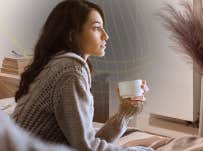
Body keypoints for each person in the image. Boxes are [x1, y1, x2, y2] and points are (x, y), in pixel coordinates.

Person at [12, 0, 153, 151]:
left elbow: (85, 142)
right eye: (97, 28)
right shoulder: (70, 71)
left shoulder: (60, 64)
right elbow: (86, 147)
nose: (106, 36)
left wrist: (124, 114)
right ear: (72, 35)